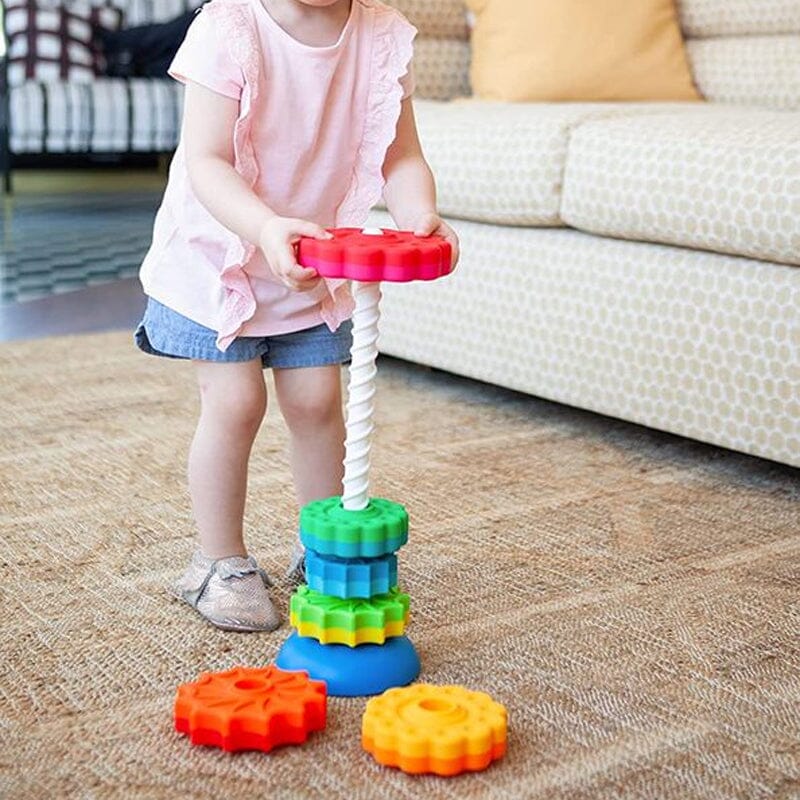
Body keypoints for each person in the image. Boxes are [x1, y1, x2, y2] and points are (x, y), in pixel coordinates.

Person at [134, 0, 460, 633]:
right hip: (222, 257)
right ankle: (220, 562)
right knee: (235, 404)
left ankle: (323, 548)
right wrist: (264, 226)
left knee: (316, 402)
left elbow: (401, 156)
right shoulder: (228, 27)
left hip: (310, 259)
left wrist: (419, 212)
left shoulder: (382, 35)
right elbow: (207, 159)